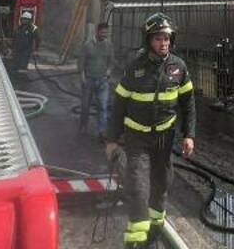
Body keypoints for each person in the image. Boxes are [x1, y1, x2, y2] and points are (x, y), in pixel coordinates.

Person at [106, 13, 195, 247]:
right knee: (138, 184)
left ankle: (156, 225)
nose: (163, 43)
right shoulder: (135, 68)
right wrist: (112, 140)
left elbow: (188, 104)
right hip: (138, 138)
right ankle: (135, 238)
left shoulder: (179, 68)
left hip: (165, 139)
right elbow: (118, 106)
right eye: (158, 39)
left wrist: (189, 136)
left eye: (166, 38)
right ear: (148, 41)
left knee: (163, 181)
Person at [78, 22, 115, 140]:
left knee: (102, 107)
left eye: (106, 33)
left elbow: (111, 61)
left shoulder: (109, 45)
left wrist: (109, 70)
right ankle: (83, 125)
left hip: (103, 81)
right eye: (103, 32)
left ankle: (102, 131)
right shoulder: (87, 45)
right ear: (97, 32)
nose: (105, 35)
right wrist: (82, 76)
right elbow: (81, 63)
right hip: (89, 80)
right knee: (85, 106)